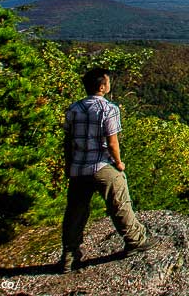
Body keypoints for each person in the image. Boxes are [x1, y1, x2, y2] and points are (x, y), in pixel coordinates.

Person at [60, 68, 154, 273]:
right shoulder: (108, 109)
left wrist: (69, 165)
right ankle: (135, 240)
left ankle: (69, 257)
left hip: (78, 168)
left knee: (75, 213)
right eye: (108, 82)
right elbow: (112, 142)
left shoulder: (73, 109)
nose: (110, 84)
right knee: (119, 202)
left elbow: (68, 141)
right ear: (102, 87)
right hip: (102, 165)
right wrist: (118, 163)